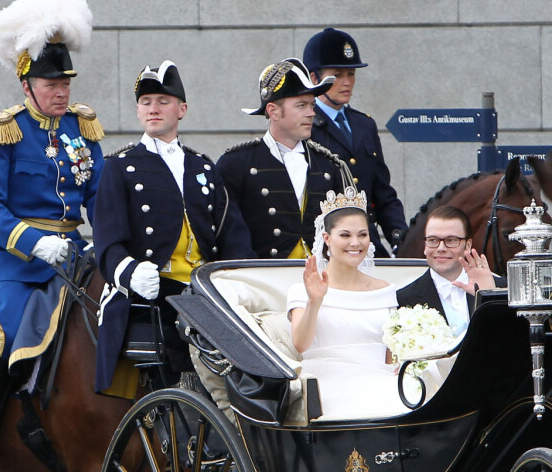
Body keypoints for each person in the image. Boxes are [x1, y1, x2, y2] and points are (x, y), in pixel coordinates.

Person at [0, 0, 104, 472]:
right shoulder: (5, 130)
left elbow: (99, 198)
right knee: (7, 334)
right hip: (17, 267)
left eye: (65, 82)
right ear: (27, 84)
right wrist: (33, 242)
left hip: (73, 256)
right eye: (50, 83)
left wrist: (110, 247)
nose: (60, 91)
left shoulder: (81, 128)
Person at [93, 59, 255, 397]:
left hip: (203, 292)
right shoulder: (119, 167)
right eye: (145, 102)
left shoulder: (203, 167)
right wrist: (131, 271)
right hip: (152, 292)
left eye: (163, 101)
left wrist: (237, 283)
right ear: (138, 111)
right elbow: (108, 243)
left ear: (181, 109)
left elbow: (233, 235)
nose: (153, 109)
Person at [286, 186, 409, 420]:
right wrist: (315, 301)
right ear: (327, 239)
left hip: (381, 383)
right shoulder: (302, 290)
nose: (355, 243)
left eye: (362, 235)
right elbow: (300, 344)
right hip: (327, 385)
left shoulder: (384, 290)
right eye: (345, 235)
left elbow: (390, 356)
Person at [216, 58, 355, 259]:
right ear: (273, 111)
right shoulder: (237, 164)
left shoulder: (330, 164)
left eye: (312, 105)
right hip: (263, 280)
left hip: (322, 278)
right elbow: (230, 236)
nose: (311, 113)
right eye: (301, 105)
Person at [303, 27, 408, 258]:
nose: (347, 82)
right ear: (314, 77)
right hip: (326, 250)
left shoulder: (364, 125)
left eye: (351, 74)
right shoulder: (305, 125)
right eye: (337, 75)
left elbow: (383, 193)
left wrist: (401, 240)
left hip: (368, 245)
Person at [396, 205, 507, 336]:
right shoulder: (403, 298)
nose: (441, 248)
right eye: (433, 240)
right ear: (425, 246)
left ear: (468, 245)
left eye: (451, 240)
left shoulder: (501, 289)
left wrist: (489, 297)